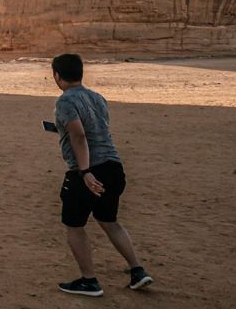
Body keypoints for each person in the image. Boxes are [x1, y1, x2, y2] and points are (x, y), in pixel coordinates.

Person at [49, 53, 153, 297]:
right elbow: (93, 129)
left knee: (74, 226)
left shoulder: (65, 101)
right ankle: (137, 270)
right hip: (113, 166)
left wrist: (84, 172)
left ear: (57, 75)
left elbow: (80, 136)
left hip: (88, 170)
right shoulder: (98, 97)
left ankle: (89, 281)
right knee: (109, 220)